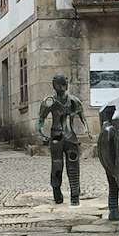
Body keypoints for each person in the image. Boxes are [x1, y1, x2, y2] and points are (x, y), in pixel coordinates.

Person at [37, 74, 87, 205]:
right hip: (57, 137)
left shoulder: (74, 101)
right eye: (58, 84)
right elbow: (40, 120)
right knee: (57, 165)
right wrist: (42, 133)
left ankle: (75, 195)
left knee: (73, 166)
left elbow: (83, 117)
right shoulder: (49, 101)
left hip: (70, 136)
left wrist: (87, 130)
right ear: (55, 86)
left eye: (63, 84)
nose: (61, 87)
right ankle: (57, 191)